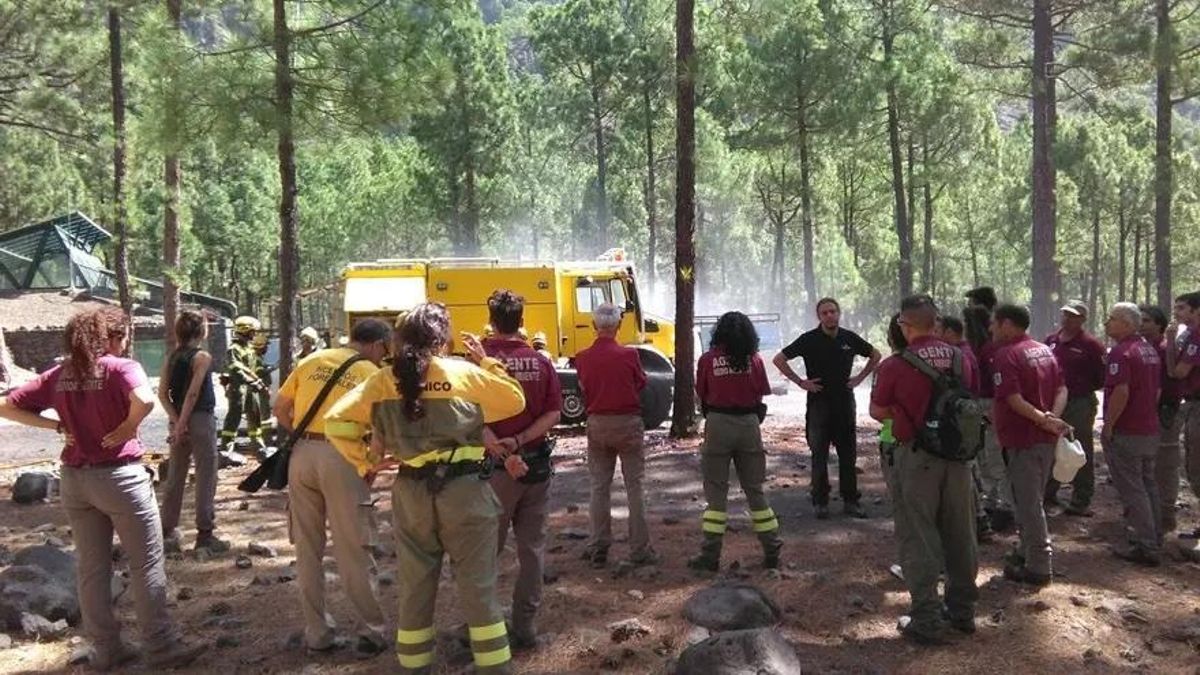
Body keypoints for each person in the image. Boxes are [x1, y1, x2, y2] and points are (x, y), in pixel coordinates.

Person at [324, 303, 525, 674]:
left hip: (411, 493)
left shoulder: (382, 380)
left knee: (415, 588)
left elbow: (336, 422)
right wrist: (489, 363)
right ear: (442, 336)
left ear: (399, 338)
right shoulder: (461, 373)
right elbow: (515, 399)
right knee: (478, 588)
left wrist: (365, 460)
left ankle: (416, 667)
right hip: (465, 491)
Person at [0, 306, 202, 670]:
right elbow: (144, 399)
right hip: (120, 477)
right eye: (123, 338)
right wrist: (128, 428)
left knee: (92, 569)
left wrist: (56, 427)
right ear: (110, 338)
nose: (125, 346)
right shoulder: (120, 367)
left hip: (75, 480)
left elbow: (5, 406)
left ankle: (107, 648)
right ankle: (160, 645)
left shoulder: (60, 374)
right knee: (146, 563)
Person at [273, 319, 393, 657]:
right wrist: (369, 462)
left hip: (302, 456)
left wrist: (302, 434)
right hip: (343, 458)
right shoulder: (372, 373)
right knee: (354, 548)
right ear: (379, 345)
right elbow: (381, 428)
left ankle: (318, 634)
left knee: (308, 550)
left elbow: (280, 408)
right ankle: (372, 631)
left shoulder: (311, 361)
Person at [870, 295, 979, 645]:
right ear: (936, 324)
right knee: (961, 533)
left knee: (918, 534)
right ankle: (962, 612)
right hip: (959, 459)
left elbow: (877, 410)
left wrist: (905, 415)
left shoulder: (895, 365)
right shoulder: (962, 359)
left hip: (916, 459)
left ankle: (926, 618)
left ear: (905, 325)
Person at [480, 290, 562, 650]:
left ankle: (486, 626)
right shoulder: (540, 362)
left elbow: (470, 417)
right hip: (535, 466)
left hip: (494, 471)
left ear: (492, 320)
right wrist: (521, 439)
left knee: (486, 551)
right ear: (522, 321)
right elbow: (554, 413)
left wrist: (501, 448)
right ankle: (525, 627)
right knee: (532, 550)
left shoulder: (479, 362)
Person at [689, 311, 782, 572]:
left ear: (719, 332)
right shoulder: (754, 360)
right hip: (749, 425)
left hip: (718, 424)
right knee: (755, 489)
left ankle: (710, 555)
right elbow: (761, 393)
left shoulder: (708, 360)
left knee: (716, 493)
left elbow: (702, 395)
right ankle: (772, 548)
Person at [773, 297, 881, 519]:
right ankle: (820, 501)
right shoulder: (809, 339)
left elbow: (876, 355)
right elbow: (779, 359)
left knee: (848, 455)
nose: (830, 316)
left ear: (839, 313)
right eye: (825, 313)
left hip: (844, 403)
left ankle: (851, 500)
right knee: (819, 455)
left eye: (833, 311)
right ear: (819, 316)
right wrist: (801, 382)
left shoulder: (848, 338)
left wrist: (860, 378)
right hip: (819, 404)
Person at [990, 304, 1070, 586]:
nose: (990, 329)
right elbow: (1062, 388)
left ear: (1008, 324)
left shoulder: (1006, 355)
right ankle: (1026, 551)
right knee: (1030, 497)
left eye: (994, 324)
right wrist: (1052, 418)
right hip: (1044, 438)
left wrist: (1041, 419)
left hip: (1023, 438)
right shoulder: (1045, 350)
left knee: (1028, 503)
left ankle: (1039, 565)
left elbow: (1012, 398)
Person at [575, 302, 657, 568]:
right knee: (635, 486)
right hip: (628, 423)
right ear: (619, 325)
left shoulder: (582, 357)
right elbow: (641, 383)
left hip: (597, 423)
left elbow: (583, 387)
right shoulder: (630, 355)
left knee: (599, 486)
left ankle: (599, 546)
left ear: (593, 326)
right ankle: (640, 550)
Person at [157, 309, 228, 555]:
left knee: (176, 475)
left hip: (177, 420)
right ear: (201, 331)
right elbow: (193, 394)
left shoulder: (171, 357)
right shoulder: (202, 357)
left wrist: (176, 423)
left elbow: (162, 394)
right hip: (199, 420)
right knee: (206, 475)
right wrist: (184, 422)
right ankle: (205, 534)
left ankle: (166, 531)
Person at [1101, 303, 1163, 566]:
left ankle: (1146, 545)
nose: (1106, 323)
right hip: (1149, 427)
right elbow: (1157, 391)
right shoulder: (1149, 350)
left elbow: (1121, 391)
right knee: (1148, 484)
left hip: (1128, 430)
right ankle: (1154, 536)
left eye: (1112, 319)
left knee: (1133, 488)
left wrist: (1109, 424)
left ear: (1126, 324)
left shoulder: (1121, 351)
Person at [1043, 301, 1106, 516]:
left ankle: (1081, 498)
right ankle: (1048, 492)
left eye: (1073, 315)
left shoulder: (1091, 345)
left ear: (1082, 320)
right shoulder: (1051, 341)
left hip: (1079, 403)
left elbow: (1101, 378)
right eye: (1066, 314)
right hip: (1053, 402)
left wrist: (1080, 389)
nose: (1068, 318)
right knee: (1049, 445)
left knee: (1079, 447)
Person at [965, 305, 1014, 532]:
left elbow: (997, 383)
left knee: (995, 457)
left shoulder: (989, 350)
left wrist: (994, 410)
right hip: (981, 405)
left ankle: (1006, 504)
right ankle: (991, 499)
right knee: (984, 456)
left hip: (990, 405)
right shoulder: (977, 349)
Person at [1140, 304, 1183, 533]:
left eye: (1146, 320)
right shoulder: (1142, 348)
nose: (1142, 325)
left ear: (1159, 324)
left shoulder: (1166, 348)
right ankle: (1148, 512)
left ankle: (1165, 514)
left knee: (1166, 463)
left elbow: (1174, 377)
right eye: (1140, 320)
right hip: (1147, 412)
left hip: (1166, 410)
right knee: (1148, 462)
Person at [1164, 291, 1200, 540]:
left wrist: (1168, 339)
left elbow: (1176, 372)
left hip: (1198, 405)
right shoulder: (1190, 335)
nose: (1176, 313)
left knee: (1196, 466)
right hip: (1193, 404)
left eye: (1183, 308)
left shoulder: (1196, 336)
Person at [220, 316, 267, 452]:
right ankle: (226, 448)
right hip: (238, 389)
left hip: (250, 389)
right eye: (252, 331)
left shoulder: (249, 348)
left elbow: (254, 367)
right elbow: (236, 369)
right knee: (234, 418)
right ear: (245, 331)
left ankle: (258, 445)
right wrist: (253, 383)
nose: (254, 334)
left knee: (254, 416)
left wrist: (259, 380)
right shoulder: (234, 349)